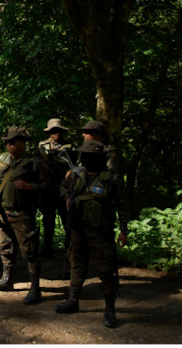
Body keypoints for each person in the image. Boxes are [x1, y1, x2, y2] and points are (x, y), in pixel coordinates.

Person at [55, 140, 130, 328]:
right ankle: (73, 301)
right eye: (84, 155)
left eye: (89, 156)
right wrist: (66, 199)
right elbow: (62, 187)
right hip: (77, 230)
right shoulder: (75, 174)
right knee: (76, 266)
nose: (85, 158)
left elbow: (122, 204)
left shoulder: (111, 178)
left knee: (105, 270)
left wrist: (123, 230)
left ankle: (110, 309)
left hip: (100, 232)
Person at [0, 126, 47, 304]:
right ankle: (7, 280)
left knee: (29, 250)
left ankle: (35, 288)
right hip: (2, 211)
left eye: (13, 141)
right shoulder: (2, 159)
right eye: (7, 141)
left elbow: (48, 187)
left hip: (22, 213)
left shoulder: (33, 163)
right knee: (5, 247)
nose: (9, 144)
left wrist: (31, 186)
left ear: (23, 143)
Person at [36, 118, 73, 258]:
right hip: (48, 188)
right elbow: (33, 163)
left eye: (59, 131)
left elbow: (77, 166)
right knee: (48, 220)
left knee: (67, 219)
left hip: (63, 187)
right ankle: (47, 249)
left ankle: (69, 249)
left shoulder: (69, 147)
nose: (57, 134)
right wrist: (42, 164)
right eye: (54, 131)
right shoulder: (42, 147)